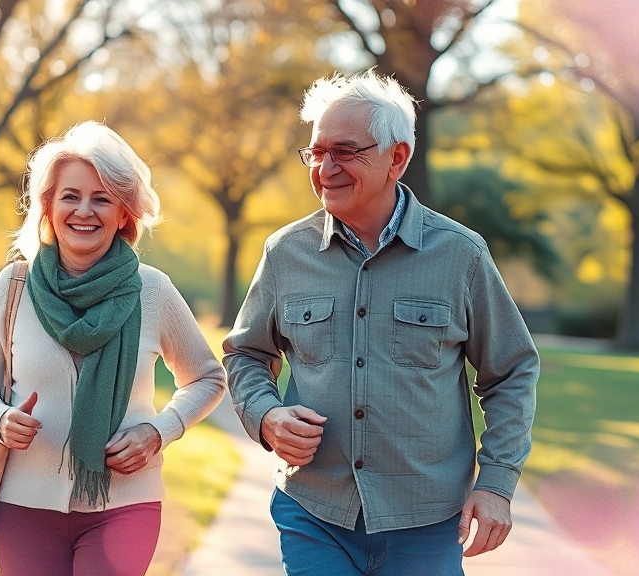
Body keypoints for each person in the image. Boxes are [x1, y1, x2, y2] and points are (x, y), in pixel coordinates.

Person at [222, 70, 539, 575]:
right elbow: (246, 354)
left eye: (345, 152)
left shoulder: (461, 256)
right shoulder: (286, 253)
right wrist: (265, 416)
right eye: (317, 152)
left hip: (429, 524)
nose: (326, 168)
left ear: (397, 157)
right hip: (314, 512)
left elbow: (511, 371)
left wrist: (496, 483)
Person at [0, 121, 225, 576]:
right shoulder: (14, 287)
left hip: (125, 505)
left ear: (125, 214)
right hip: (23, 504)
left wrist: (159, 432)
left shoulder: (151, 291)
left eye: (102, 198)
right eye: (71, 196)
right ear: (48, 207)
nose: (85, 210)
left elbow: (208, 377)